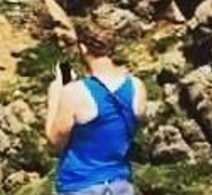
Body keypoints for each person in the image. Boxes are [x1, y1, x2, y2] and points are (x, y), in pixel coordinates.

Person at [45, 19, 147, 195]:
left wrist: (55, 95)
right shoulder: (137, 86)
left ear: (83, 48)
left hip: (79, 185)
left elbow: (55, 141)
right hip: (120, 184)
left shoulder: (74, 92)